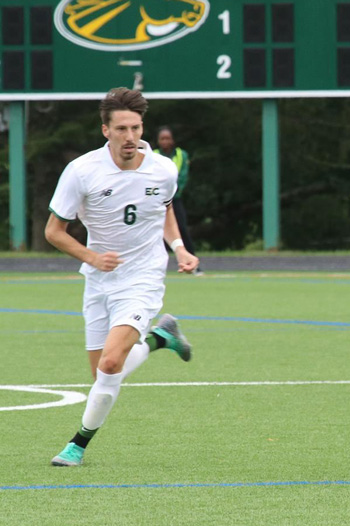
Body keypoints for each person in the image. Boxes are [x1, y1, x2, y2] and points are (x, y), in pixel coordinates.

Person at [45, 87, 200, 467]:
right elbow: (54, 231)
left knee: (111, 365)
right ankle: (161, 339)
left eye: (136, 127)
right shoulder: (82, 171)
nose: (130, 137)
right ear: (105, 130)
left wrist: (179, 247)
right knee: (100, 372)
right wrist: (91, 257)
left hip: (143, 276)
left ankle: (77, 445)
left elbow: (162, 212)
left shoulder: (163, 168)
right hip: (98, 280)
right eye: (122, 129)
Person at [156, 126, 202, 275]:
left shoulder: (181, 155)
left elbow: (182, 176)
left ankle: (191, 262)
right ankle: (156, 266)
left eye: (167, 138)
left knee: (181, 229)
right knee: (154, 230)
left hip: (175, 199)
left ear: (173, 140)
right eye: (162, 138)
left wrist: (174, 191)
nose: (165, 141)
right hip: (156, 200)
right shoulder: (153, 155)